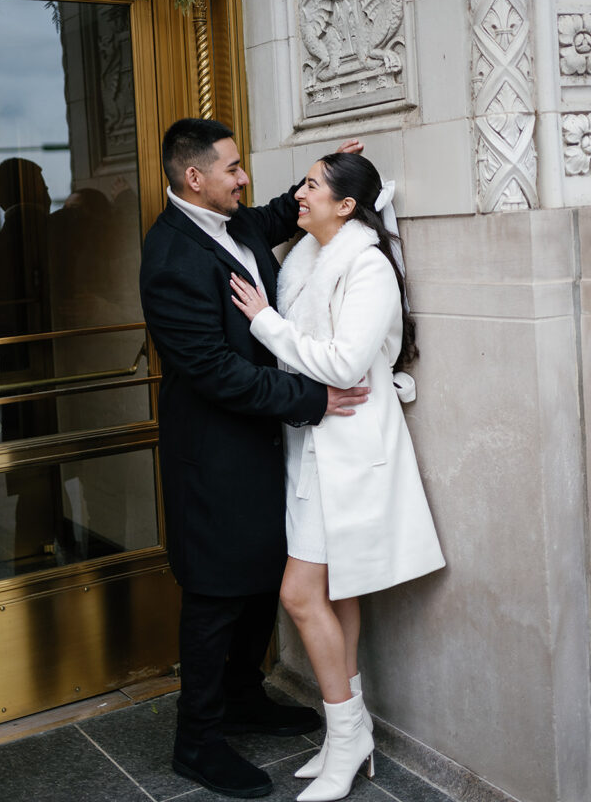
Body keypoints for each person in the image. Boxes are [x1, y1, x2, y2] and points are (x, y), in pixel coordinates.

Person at [139, 119, 370, 799]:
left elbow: (270, 214)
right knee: (213, 596)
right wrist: (311, 398)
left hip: (258, 445)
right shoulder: (169, 258)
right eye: (233, 168)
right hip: (211, 455)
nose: (244, 179)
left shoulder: (230, 219)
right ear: (194, 178)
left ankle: (242, 697)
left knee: (255, 581)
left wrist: (321, 177)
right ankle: (197, 740)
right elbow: (212, 371)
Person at [230, 152, 446, 802]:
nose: (300, 194)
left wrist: (264, 322)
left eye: (313, 185)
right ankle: (345, 736)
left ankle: (349, 736)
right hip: (309, 448)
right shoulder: (304, 257)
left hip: (349, 451)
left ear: (346, 205)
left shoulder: (366, 264)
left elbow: (347, 363)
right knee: (337, 592)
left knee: (299, 594)